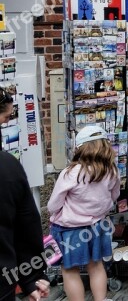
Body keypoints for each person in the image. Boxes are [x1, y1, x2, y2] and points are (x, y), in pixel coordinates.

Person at [48, 125, 121, 301]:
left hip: (70, 230)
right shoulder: (111, 171)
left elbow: (53, 205)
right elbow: (114, 197)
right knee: (96, 266)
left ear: (80, 147)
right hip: (97, 227)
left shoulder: (71, 173)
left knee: (69, 269)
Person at [0, 88, 50, 301]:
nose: (5, 124)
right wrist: (31, 277)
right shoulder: (7, 168)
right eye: (5, 118)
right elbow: (25, 227)